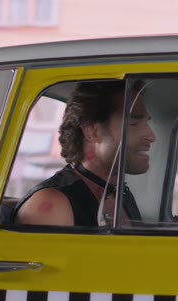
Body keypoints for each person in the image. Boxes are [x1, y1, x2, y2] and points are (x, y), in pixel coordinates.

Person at [13, 80, 156, 226]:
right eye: (133, 124)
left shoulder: (120, 194)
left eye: (146, 123)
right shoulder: (54, 204)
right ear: (92, 132)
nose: (151, 136)